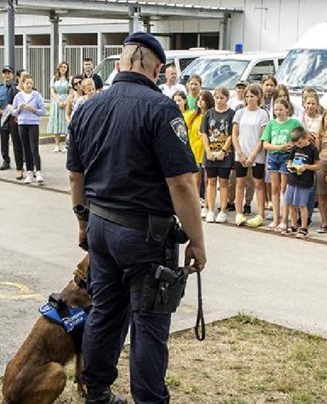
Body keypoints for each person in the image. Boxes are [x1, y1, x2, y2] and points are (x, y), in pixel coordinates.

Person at [67, 32, 206, 403]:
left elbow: (75, 177)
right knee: (149, 323)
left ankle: (96, 391)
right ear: (156, 68)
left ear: (119, 64)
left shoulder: (87, 108)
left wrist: (83, 222)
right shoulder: (160, 109)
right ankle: (149, 399)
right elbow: (181, 183)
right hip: (144, 236)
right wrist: (197, 240)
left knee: (105, 313)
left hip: (100, 226)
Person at [261, 99, 303, 232]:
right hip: (273, 156)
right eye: (276, 110)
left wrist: (293, 147)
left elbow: (302, 136)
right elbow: (265, 144)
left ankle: (286, 219)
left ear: (287, 109)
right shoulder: (271, 124)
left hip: (287, 157)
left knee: (285, 188)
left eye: (281, 109)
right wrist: (279, 146)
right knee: (274, 188)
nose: (278, 112)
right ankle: (275, 218)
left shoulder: (294, 122)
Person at [231, 83, 269, 228]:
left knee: (258, 183)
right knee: (240, 183)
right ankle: (238, 212)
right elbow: (235, 134)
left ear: (258, 97)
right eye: (247, 96)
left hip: (256, 154)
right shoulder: (240, 113)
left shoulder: (262, 114)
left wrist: (253, 155)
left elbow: (263, 136)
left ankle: (260, 213)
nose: (249, 99)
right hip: (241, 153)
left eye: (252, 96)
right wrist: (239, 152)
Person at [200, 86, 235, 223]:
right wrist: (208, 150)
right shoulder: (209, 113)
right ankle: (210, 209)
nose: (219, 100)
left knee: (224, 182)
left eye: (222, 97)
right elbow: (204, 133)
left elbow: (232, 134)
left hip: (224, 154)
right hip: (210, 152)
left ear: (227, 98)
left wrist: (223, 151)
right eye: (217, 97)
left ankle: (223, 210)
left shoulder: (231, 114)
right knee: (211, 181)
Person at [284, 128, 321, 238]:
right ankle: (294, 225)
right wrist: (289, 166)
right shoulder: (295, 148)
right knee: (290, 203)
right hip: (292, 179)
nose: (297, 145)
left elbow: (318, 165)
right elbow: (290, 160)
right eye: (295, 143)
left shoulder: (313, 149)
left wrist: (306, 167)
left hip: (305, 181)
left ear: (306, 138)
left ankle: (304, 227)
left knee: (302, 205)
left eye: (299, 142)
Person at [13, 74, 46, 185]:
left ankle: (39, 172)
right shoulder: (18, 96)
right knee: (25, 148)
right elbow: (13, 112)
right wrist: (19, 108)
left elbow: (43, 111)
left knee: (34, 148)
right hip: (22, 124)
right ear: (22, 84)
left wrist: (33, 109)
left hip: (33, 124)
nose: (29, 85)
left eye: (31, 83)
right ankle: (29, 172)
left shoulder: (36, 95)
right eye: (27, 83)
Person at [0, 65, 22, 175]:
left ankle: (20, 161)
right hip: (3, 115)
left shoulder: (17, 87)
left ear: (13, 75)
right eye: (5, 73)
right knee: (4, 139)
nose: (7, 75)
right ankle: (6, 160)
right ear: (2, 75)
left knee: (16, 140)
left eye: (9, 73)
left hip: (13, 116)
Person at [186, 90, 213, 209]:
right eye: (199, 100)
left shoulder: (210, 115)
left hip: (206, 151)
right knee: (195, 180)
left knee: (207, 180)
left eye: (203, 100)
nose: (200, 102)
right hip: (194, 150)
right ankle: (196, 201)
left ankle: (207, 203)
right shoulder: (193, 116)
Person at [47, 62, 70, 153]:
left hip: (66, 101)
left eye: (65, 67)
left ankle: (65, 144)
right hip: (56, 102)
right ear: (58, 68)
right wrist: (58, 101)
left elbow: (71, 92)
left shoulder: (69, 78)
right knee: (56, 122)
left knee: (65, 123)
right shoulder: (54, 78)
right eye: (61, 67)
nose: (63, 69)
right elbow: (52, 91)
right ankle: (57, 145)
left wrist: (65, 102)